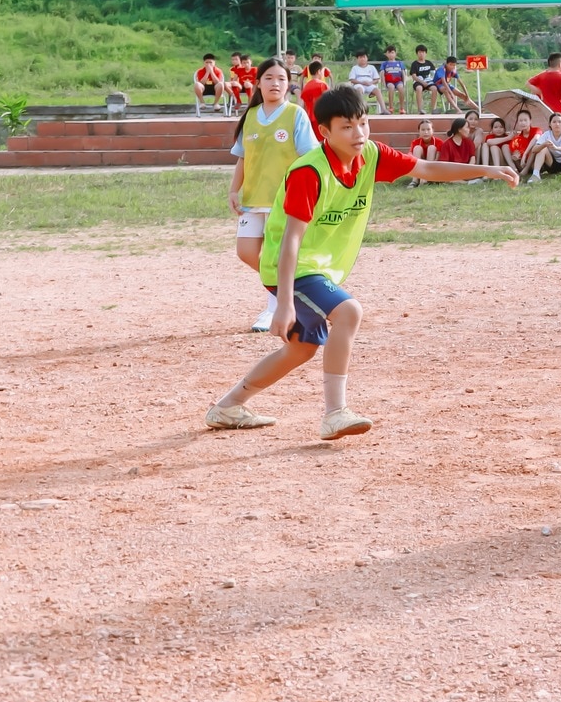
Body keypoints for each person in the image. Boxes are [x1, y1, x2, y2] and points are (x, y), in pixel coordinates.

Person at [203, 85, 517, 439]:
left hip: (315, 267)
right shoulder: (310, 171)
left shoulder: (370, 154)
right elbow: (291, 239)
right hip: (290, 266)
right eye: (347, 127)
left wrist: (486, 171)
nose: (359, 133)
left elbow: (425, 168)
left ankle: (228, 406)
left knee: (302, 349)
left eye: (363, 123)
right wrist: (284, 302)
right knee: (349, 311)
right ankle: (335, 413)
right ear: (324, 132)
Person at [227, 56, 321, 333]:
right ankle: (296, 289)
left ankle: (273, 309)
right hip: (253, 199)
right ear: (258, 83)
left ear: (289, 85)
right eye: (269, 78)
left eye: (281, 79)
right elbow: (242, 158)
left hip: (283, 199)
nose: (275, 83)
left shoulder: (295, 114)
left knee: (274, 255)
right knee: (246, 252)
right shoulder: (251, 116)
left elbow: (310, 156)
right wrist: (234, 190)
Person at [528, 52, 561, 122]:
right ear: (560, 64)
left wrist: (539, 92)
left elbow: (528, 83)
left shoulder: (542, 76)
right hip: (560, 111)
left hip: (545, 111)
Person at [299, 58, 330, 125]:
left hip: (309, 119)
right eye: (322, 71)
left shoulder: (306, 87)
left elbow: (305, 105)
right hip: (321, 118)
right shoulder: (323, 85)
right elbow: (328, 102)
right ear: (319, 71)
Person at [379, 46, 408, 116]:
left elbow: (403, 73)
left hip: (398, 81)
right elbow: (382, 73)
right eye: (389, 53)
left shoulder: (400, 63)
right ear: (386, 54)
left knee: (401, 88)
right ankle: (391, 107)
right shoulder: (384, 64)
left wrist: (404, 82)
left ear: (395, 53)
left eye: (392, 52)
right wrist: (384, 83)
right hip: (389, 81)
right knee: (391, 87)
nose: (391, 54)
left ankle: (401, 108)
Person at [409, 45, 439, 112]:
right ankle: (420, 109)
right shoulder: (415, 64)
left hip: (429, 81)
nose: (421, 54)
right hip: (418, 81)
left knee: (434, 89)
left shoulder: (429, 63)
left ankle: (433, 109)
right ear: (417, 53)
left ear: (426, 53)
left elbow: (433, 73)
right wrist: (422, 82)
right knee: (419, 88)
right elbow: (414, 76)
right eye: (420, 52)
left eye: (423, 52)